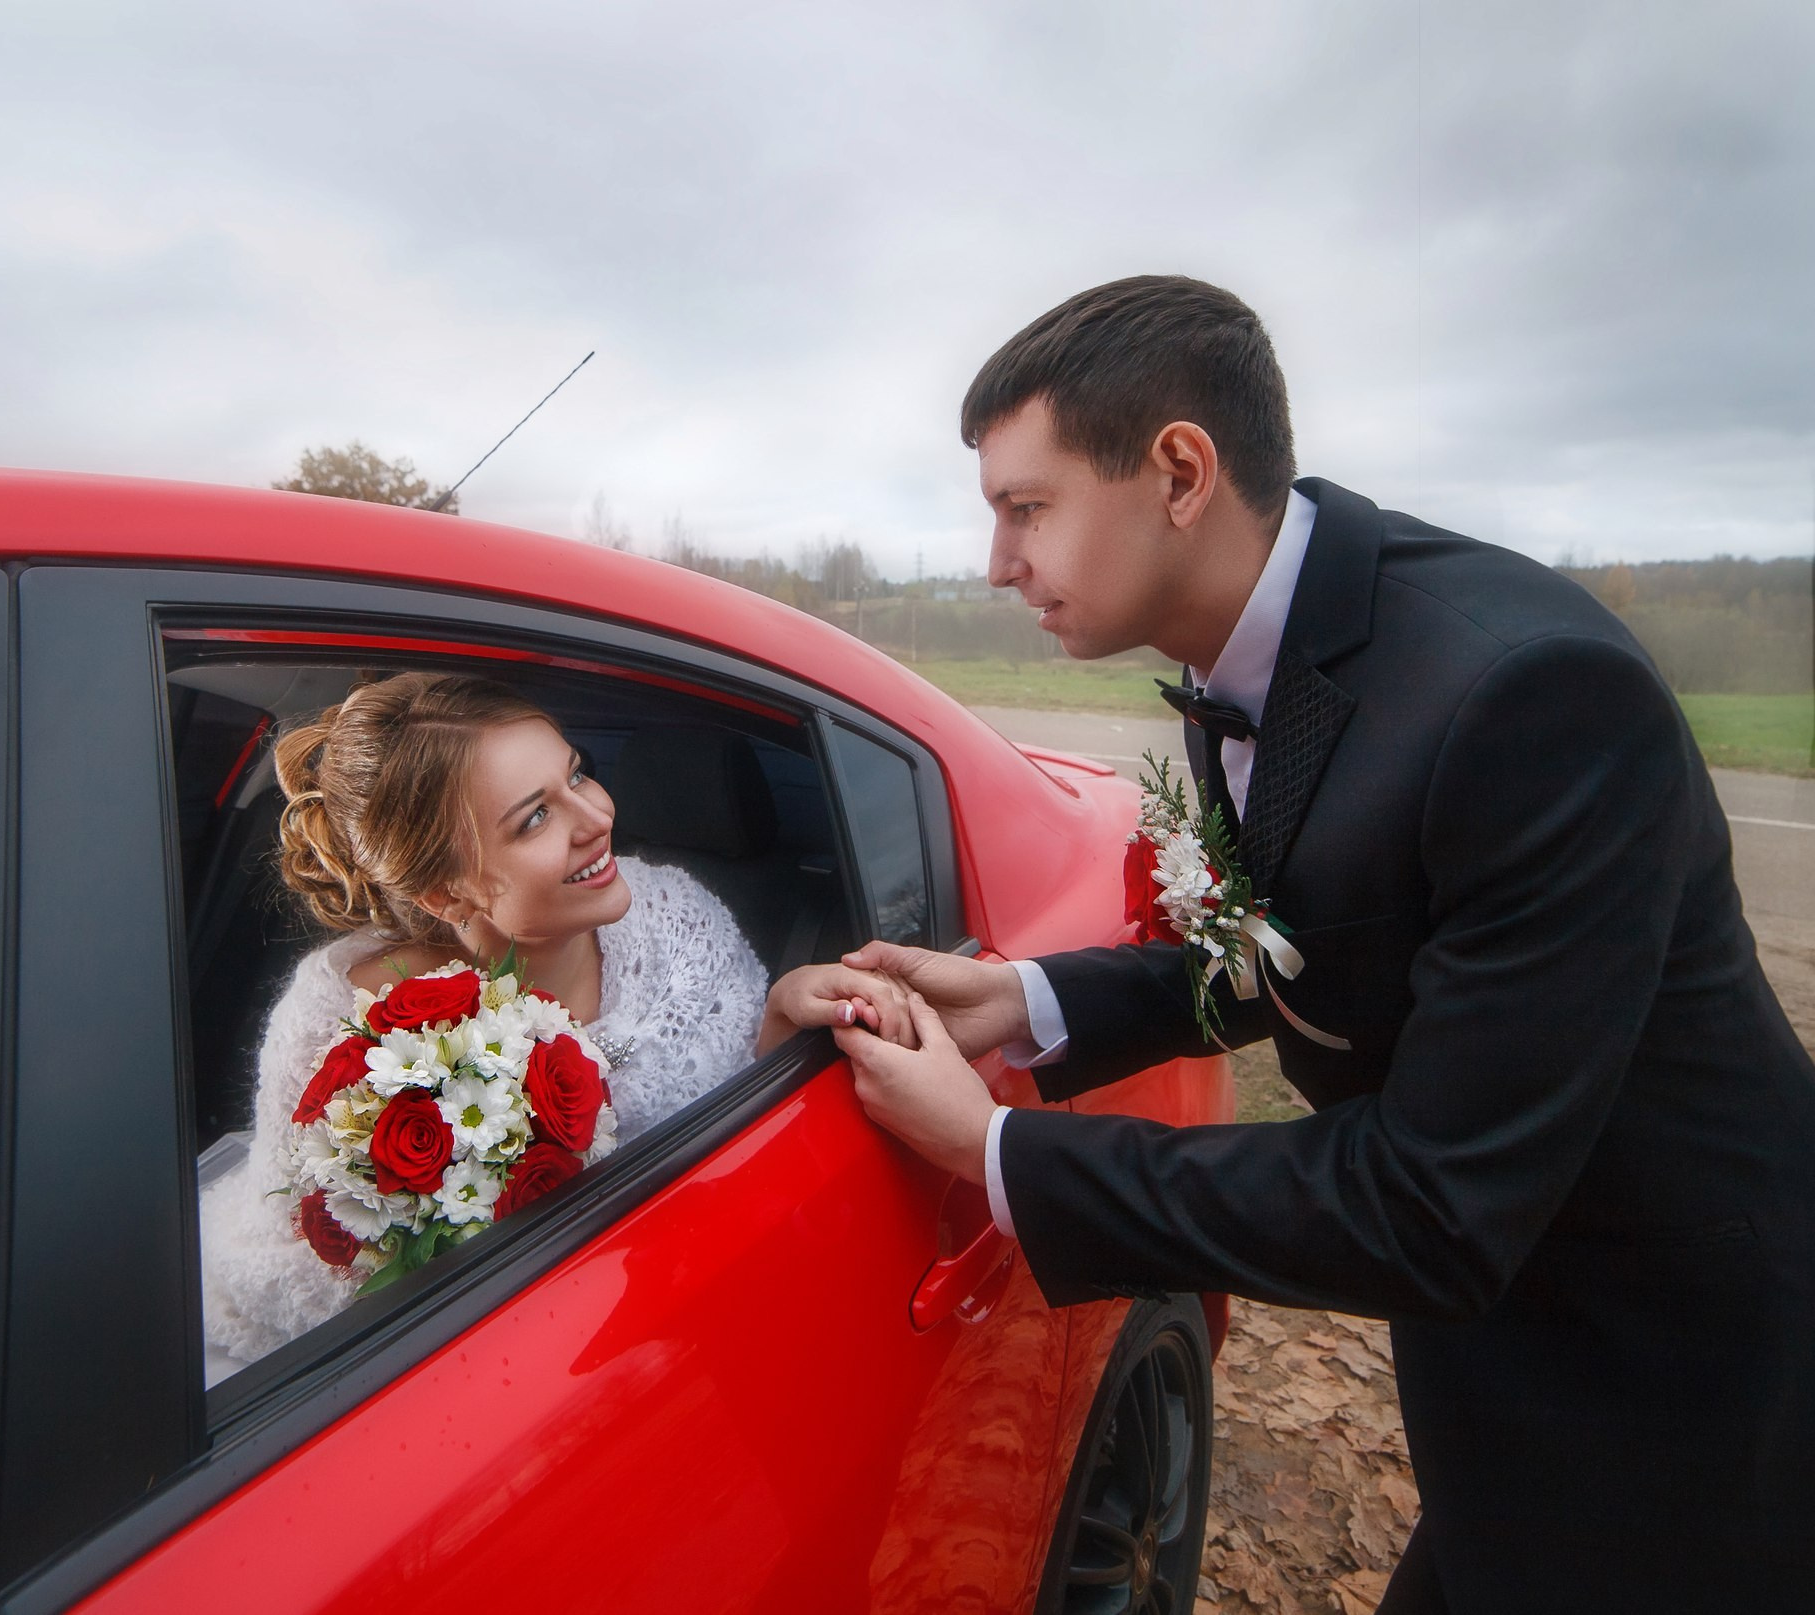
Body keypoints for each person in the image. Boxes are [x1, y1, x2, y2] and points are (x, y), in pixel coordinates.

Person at [817, 275, 1815, 1611]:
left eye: (1027, 507)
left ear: (1179, 470)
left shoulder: (1531, 700)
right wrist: (1029, 1000)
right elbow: (1314, 941)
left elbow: (1432, 1205)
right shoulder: (1242, 654)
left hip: (1669, 1376)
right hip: (1493, 1351)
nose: (998, 563)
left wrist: (994, 1148)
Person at [198, 671, 898, 1366]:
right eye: (535, 816)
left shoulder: (677, 919)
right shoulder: (340, 1028)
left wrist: (782, 1011)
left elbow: (746, 1103)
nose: (598, 819)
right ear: (447, 892)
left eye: (579, 775)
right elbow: (335, 1268)